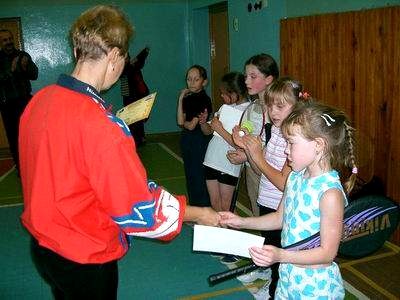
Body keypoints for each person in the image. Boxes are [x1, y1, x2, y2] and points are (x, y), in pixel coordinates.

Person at [19, 6, 219, 299]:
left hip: (44, 248)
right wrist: (199, 213)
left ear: (78, 50)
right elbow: (139, 210)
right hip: (85, 255)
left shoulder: (39, 101)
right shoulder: (101, 125)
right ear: (114, 56)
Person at [220, 101, 358, 299]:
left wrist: (280, 255)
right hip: (288, 280)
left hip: (316, 287)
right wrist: (241, 222)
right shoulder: (295, 177)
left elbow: (327, 253)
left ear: (318, 145)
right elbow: (279, 218)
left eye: (291, 143)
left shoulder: (330, 194)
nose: (286, 150)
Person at [231, 78, 304, 298]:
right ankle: (268, 276)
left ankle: (274, 289)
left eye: (280, 106)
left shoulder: (293, 139)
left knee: (279, 254)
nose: (273, 111)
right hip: (267, 201)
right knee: (269, 246)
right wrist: (248, 149)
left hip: (279, 208)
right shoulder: (276, 131)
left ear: (297, 107)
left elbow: (283, 182)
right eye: (270, 105)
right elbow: (259, 169)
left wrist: (258, 155)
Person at [202, 72, 250, 265]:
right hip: (211, 158)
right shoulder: (224, 107)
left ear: (235, 92)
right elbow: (208, 131)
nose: (222, 97)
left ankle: (234, 245)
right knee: (215, 204)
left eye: (224, 93)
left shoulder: (248, 111)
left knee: (226, 206)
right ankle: (221, 242)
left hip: (229, 163)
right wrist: (205, 122)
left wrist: (220, 127)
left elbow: (239, 144)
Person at [227, 53, 279, 217]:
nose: (246, 81)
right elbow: (250, 138)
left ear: (269, 79)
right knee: (259, 216)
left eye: (253, 76)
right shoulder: (253, 108)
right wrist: (242, 149)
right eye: (246, 76)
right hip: (252, 171)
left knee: (274, 220)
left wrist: (247, 156)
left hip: (273, 174)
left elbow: (277, 150)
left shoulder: (279, 110)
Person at [0, 29, 38, 173]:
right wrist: (12, 69)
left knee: (29, 133)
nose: (8, 42)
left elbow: (35, 75)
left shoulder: (22, 55)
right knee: (13, 136)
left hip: (24, 101)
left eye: (10, 39)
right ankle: (21, 168)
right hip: (7, 103)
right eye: (5, 40)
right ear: (1, 43)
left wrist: (23, 67)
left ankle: (33, 164)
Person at [177, 65, 212, 207]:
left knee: (199, 175)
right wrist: (180, 98)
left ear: (204, 82)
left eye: (196, 79)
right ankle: (194, 206)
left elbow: (191, 125)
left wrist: (185, 123)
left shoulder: (204, 99)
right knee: (190, 175)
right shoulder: (187, 98)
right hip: (187, 140)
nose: (191, 82)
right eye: (189, 79)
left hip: (199, 140)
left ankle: (203, 207)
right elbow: (180, 121)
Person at [120, 47, 150, 147]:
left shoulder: (132, 67)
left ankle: (139, 139)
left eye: (126, 57)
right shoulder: (124, 68)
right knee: (133, 119)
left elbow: (139, 61)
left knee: (137, 119)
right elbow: (138, 61)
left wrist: (144, 53)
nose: (125, 59)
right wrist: (144, 52)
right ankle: (137, 139)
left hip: (136, 96)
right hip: (128, 97)